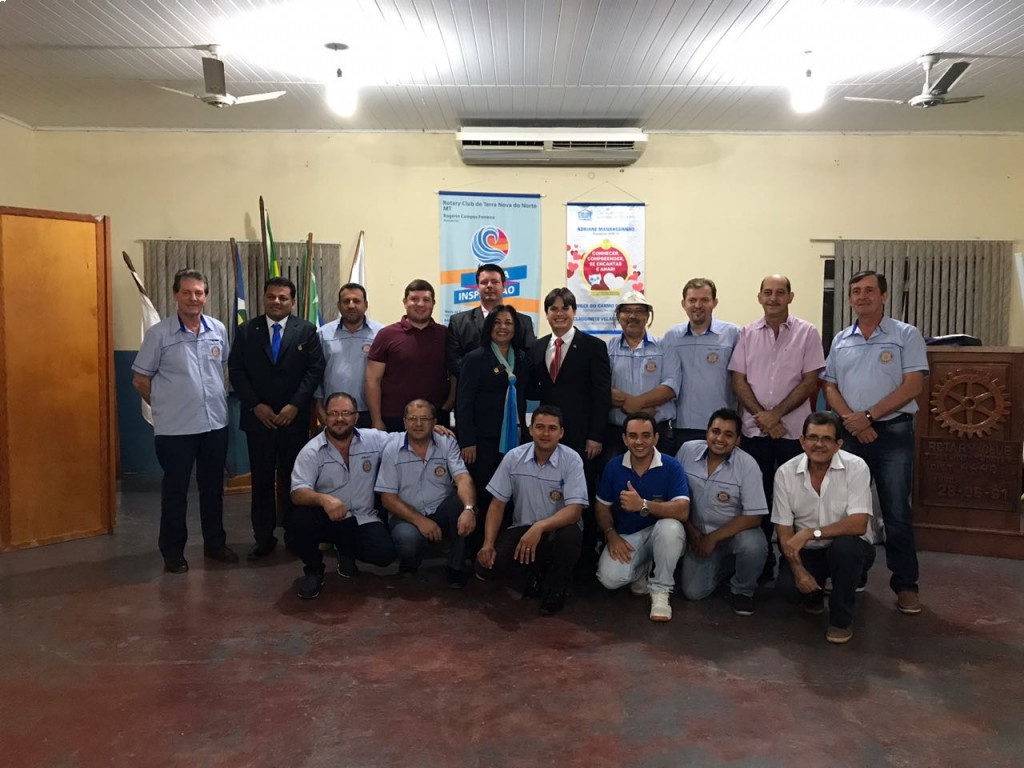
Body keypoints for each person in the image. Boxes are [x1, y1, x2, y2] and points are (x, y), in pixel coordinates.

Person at [821, 270, 929, 616]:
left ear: (884, 296)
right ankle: (855, 574)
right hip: (850, 434)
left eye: (869, 290)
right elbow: (829, 386)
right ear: (849, 298)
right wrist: (853, 420)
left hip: (893, 433)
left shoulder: (905, 335)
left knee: (895, 513)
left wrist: (868, 416)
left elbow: (913, 385)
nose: (862, 296)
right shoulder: (841, 339)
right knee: (849, 510)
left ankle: (906, 585)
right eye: (856, 291)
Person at [131, 268, 238, 573]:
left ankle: (215, 545)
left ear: (206, 296)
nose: (193, 298)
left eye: (199, 293)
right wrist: (164, 406)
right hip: (175, 430)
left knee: (213, 490)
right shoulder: (159, 334)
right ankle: (173, 552)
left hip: (214, 425)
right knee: (176, 492)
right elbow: (140, 379)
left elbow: (222, 368)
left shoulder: (217, 329)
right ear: (176, 295)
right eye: (187, 292)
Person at [729, 275, 824, 582]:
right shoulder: (747, 333)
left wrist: (776, 415)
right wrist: (763, 417)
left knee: (794, 499)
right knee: (759, 497)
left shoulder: (808, 333)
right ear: (759, 297)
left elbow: (810, 381)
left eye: (779, 293)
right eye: (767, 293)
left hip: (793, 432)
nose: (773, 298)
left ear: (790, 296)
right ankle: (762, 562)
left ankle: (793, 562)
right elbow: (738, 380)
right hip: (755, 431)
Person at [228, 277, 325, 560]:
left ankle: (294, 535)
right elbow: (236, 371)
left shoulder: (306, 331)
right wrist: (256, 406)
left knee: (293, 479)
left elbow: (314, 371)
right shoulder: (247, 330)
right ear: (264, 298)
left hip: (293, 420)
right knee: (261, 481)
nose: (277, 302)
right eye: (271, 296)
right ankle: (263, 538)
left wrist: (295, 406)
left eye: (283, 297)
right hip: (259, 421)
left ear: (292, 302)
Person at [772, 411, 876, 644]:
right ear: (802, 441)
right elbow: (784, 532)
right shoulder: (785, 473)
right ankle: (814, 594)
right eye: (813, 437)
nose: (819, 444)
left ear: (838, 444)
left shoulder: (857, 467)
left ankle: (841, 619)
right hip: (809, 551)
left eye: (827, 439)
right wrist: (799, 571)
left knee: (846, 549)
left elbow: (859, 524)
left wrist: (811, 532)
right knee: (788, 589)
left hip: (848, 546)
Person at [528, 287, 611, 574]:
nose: (559, 313)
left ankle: (585, 559)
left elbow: (601, 395)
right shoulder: (538, 347)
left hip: (582, 437)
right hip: (547, 437)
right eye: (554, 308)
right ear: (547, 313)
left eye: (565, 308)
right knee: (549, 492)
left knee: (582, 495)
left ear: (574, 312)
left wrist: (596, 435)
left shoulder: (593, 346)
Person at [476, 405, 587, 616]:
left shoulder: (571, 460)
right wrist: (488, 543)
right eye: (540, 427)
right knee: (488, 567)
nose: (545, 433)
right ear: (530, 429)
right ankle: (534, 572)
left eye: (552, 428)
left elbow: (574, 511)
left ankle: (557, 588)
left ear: (561, 433)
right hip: (523, 528)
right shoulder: (513, 457)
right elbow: (497, 504)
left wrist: (540, 526)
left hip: (558, 529)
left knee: (569, 536)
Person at [288, 392, 397, 599]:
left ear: (356, 417)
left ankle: (345, 551)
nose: (340, 419)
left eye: (346, 413)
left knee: (384, 555)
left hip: (362, 517)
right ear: (325, 416)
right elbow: (298, 492)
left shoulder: (373, 439)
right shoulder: (311, 451)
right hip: (329, 517)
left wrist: (434, 430)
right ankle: (313, 571)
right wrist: (324, 499)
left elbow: (404, 439)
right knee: (299, 521)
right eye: (334, 413)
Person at [595, 413, 689, 622]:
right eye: (633, 436)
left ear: (656, 438)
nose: (639, 442)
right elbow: (602, 506)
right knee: (609, 579)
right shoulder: (613, 466)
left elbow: (683, 510)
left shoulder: (671, 466)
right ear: (624, 439)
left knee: (670, 528)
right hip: (629, 536)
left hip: (662, 534)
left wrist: (643, 505)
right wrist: (611, 535)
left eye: (646, 435)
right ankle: (642, 571)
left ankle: (661, 592)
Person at [376, 399, 477, 588]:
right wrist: (420, 521)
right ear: (404, 422)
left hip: (440, 509)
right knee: (407, 541)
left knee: (461, 507)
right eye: (412, 418)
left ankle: (455, 568)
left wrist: (469, 508)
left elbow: (463, 478)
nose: (418, 424)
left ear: (434, 422)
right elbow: (388, 499)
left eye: (425, 419)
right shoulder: (391, 448)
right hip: (406, 515)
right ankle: (410, 562)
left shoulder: (447, 442)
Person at [677, 408, 768, 615]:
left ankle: (743, 590)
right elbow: (675, 496)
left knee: (753, 545)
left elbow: (754, 517)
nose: (720, 439)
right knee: (693, 592)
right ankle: (726, 566)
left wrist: (712, 539)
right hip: (696, 534)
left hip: (733, 535)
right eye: (715, 431)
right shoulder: (686, 451)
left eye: (728, 434)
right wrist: (693, 533)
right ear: (707, 432)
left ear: (738, 440)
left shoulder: (748, 465)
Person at [455, 304, 530, 553]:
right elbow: (463, 403)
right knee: (484, 494)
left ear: (516, 328)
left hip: (514, 441)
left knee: (509, 496)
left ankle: (502, 549)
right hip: (483, 441)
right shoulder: (476, 358)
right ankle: (475, 551)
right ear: (489, 327)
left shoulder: (522, 359)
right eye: (497, 322)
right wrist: (467, 440)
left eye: (508, 323)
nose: (502, 327)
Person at [663, 277, 740, 450]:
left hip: (723, 427)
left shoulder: (732, 333)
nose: (698, 305)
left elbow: (741, 380)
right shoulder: (671, 336)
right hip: (683, 425)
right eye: (692, 300)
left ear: (715, 302)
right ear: (683, 303)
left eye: (704, 300)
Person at [366, 279, 453, 432]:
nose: (420, 304)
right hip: (394, 419)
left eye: (426, 300)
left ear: (433, 303)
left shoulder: (446, 335)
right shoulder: (386, 335)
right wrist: (376, 420)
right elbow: (373, 380)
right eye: (414, 299)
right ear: (405, 302)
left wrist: (447, 406)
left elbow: (455, 375)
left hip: (435, 419)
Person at [603, 290, 677, 467]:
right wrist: (637, 406)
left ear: (647, 316)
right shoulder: (607, 348)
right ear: (618, 316)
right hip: (616, 435)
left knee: (658, 480)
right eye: (627, 311)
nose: (632, 316)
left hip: (657, 434)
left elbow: (670, 386)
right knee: (614, 480)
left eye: (639, 311)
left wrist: (635, 404)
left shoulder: (664, 347)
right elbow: (602, 388)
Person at [445, 264, 536, 378]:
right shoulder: (459, 322)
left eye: (494, 282)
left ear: (504, 286)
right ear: (477, 287)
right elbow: (454, 362)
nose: (489, 286)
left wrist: (502, 375)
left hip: (513, 385)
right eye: (484, 282)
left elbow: (529, 358)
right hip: (472, 386)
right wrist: (484, 380)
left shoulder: (523, 322)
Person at [315, 283, 383, 427]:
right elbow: (316, 374)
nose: (351, 305)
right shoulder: (323, 334)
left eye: (356, 301)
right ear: (339, 306)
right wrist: (319, 409)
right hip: (334, 413)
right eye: (346, 301)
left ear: (366, 305)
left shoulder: (381, 333)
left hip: (370, 412)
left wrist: (378, 419)